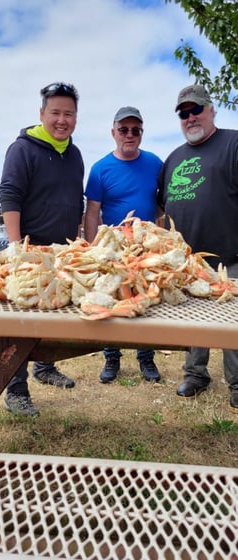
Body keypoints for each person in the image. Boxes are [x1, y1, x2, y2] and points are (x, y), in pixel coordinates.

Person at [0, 81, 84, 416]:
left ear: (76, 117)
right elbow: (10, 195)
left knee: (55, 314)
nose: (62, 120)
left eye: (69, 114)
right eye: (56, 113)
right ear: (42, 114)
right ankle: (15, 391)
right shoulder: (22, 149)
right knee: (22, 321)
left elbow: (75, 200)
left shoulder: (74, 154)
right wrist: (16, 247)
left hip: (63, 253)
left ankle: (45, 367)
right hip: (29, 252)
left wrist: (78, 240)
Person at [157, 83, 238, 411]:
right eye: (183, 113)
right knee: (193, 320)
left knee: (233, 323)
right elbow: (163, 206)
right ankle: (196, 374)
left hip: (231, 257)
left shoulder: (233, 143)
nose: (190, 118)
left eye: (196, 110)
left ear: (211, 110)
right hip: (189, 264)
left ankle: (237, 381)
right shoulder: (173, 158)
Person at [84, 106, 163, 384]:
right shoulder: (100, 169)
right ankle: (111, 357)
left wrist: (161, 243)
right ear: (113, 132)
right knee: (111, 299)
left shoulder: (155, 163)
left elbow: (162, 207)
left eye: (135, 130)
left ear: (141, 133)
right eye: (123, 129)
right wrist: (93, 248)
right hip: (112, 249)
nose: (129, 135)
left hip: (145, 249)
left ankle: (146, 358)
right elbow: (92, 212)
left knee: (145, 301)